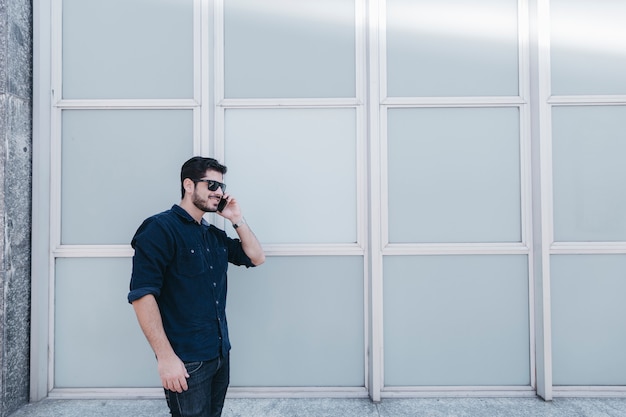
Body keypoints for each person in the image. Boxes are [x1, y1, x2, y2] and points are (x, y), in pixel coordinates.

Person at [128, 156, 265, 417]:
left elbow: (256, 257)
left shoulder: (212, 235)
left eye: (222, 187)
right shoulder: (159, 228)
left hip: (219, 353)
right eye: (212, 185)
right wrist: (166, 359)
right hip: (187, 360)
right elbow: (142, 296)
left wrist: (236, 218)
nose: (219, 193)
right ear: (189, 185)